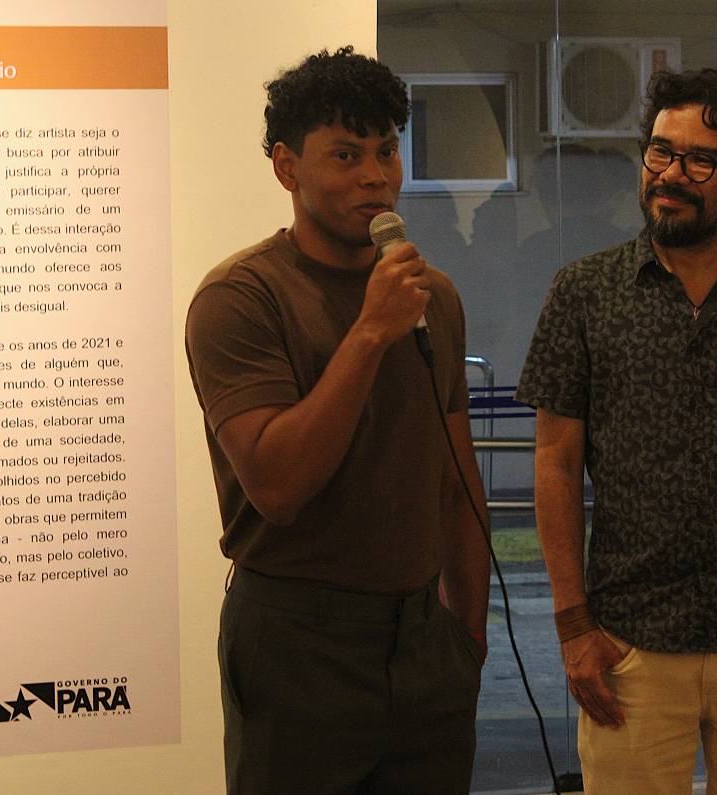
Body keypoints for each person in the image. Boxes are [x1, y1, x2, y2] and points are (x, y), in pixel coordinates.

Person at [185, 46, 490, 794]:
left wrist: (467, 641)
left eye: (387, 151)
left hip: (424, 638)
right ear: (287, 167)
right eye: (347, 155)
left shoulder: (434, 296)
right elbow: (278, 485)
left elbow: (456, 484)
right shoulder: (240, 298)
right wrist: (370, 332)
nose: (376, 176)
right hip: (298, 639)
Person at [516, 67, 717, 794]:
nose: (672, 174)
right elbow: (554, 462)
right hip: (628, 647)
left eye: (701, 160)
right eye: (661, 151)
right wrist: (573, 626)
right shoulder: (585, 292)